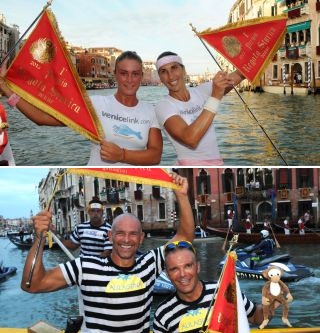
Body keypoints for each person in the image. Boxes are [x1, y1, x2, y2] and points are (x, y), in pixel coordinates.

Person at [21, 172, 195, 333]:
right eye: (120, 233)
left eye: (133, 234)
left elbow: (185, 237)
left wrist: (181, 196)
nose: (127, 239)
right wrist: (39, 237)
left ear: (141, 238)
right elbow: (32, 284)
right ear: (110, 236)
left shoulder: (149, 264)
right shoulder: (85, 267)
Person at [0, 51, 162, 166]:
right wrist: (6, 89)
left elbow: (155, 155)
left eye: (135, 74)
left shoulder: (150, 110)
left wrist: (122, 155)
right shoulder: (95, 104)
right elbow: (42, 118)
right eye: (123, 73)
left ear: (141, 76)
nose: (129, 79)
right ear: (115, 74)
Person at [153, 241, 269, 332]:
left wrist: (271, 303)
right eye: (174, 269)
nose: (183, 274)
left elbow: (255, 317)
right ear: (167, 274)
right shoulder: (162, 314)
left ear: (197, 267)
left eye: (188, 266)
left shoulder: (223, 291)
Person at [155, 51, 245, 165]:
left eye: (174, 67)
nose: (171, 75)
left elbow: (242, 72)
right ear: (160, 78)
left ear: (184, 70)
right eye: (164, 71)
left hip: (217, 164)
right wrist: (215, 96)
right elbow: (190, 139)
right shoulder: (163, 106)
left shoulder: (201, 91)